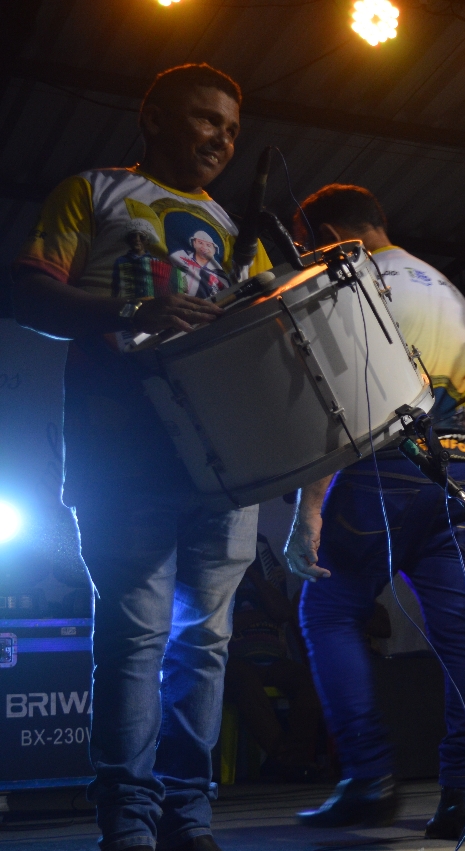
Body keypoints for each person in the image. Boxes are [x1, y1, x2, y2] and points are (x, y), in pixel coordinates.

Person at [11, 64, 270, 851]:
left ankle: (189, 815)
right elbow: (24, 291)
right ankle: (128, 820)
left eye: (231, 129)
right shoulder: (93, 192)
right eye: (205, 119)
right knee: (136, 636)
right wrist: (133, 307)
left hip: (222, 465)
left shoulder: (237, 230)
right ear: (153, 117)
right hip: (123, 452)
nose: (221, 139)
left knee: (206, 642)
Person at [282, 185, 465, 841]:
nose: (306, 260)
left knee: (327, 610)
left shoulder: (348, 284)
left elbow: (338, 402)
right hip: (462, 466)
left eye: (307, 247)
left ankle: (369, 779)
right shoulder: (446, 289)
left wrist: (308, 509)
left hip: (386, 464)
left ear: (332, 237)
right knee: (463, 633)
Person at [223, 536, 322, 782]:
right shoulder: (220, 577)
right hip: (235, 660)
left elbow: (283, 612)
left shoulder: (266, 575)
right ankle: (287, 758)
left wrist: (254, 575)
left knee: (310, 681)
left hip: (274, 660)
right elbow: (219, 623)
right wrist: (257, 616)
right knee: (243, 680)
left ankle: (287, 758)